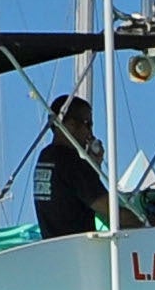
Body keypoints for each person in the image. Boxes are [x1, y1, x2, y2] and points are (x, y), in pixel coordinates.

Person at [32, 96, 108, 241]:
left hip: (53, 248)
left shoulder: (46, 157)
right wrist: (145, 221)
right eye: (88, 124)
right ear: (71, 125)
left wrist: (93, 164)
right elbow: (106, 207)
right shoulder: (71, 163)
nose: (90, 133)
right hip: (78, 250)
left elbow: (77, 194)